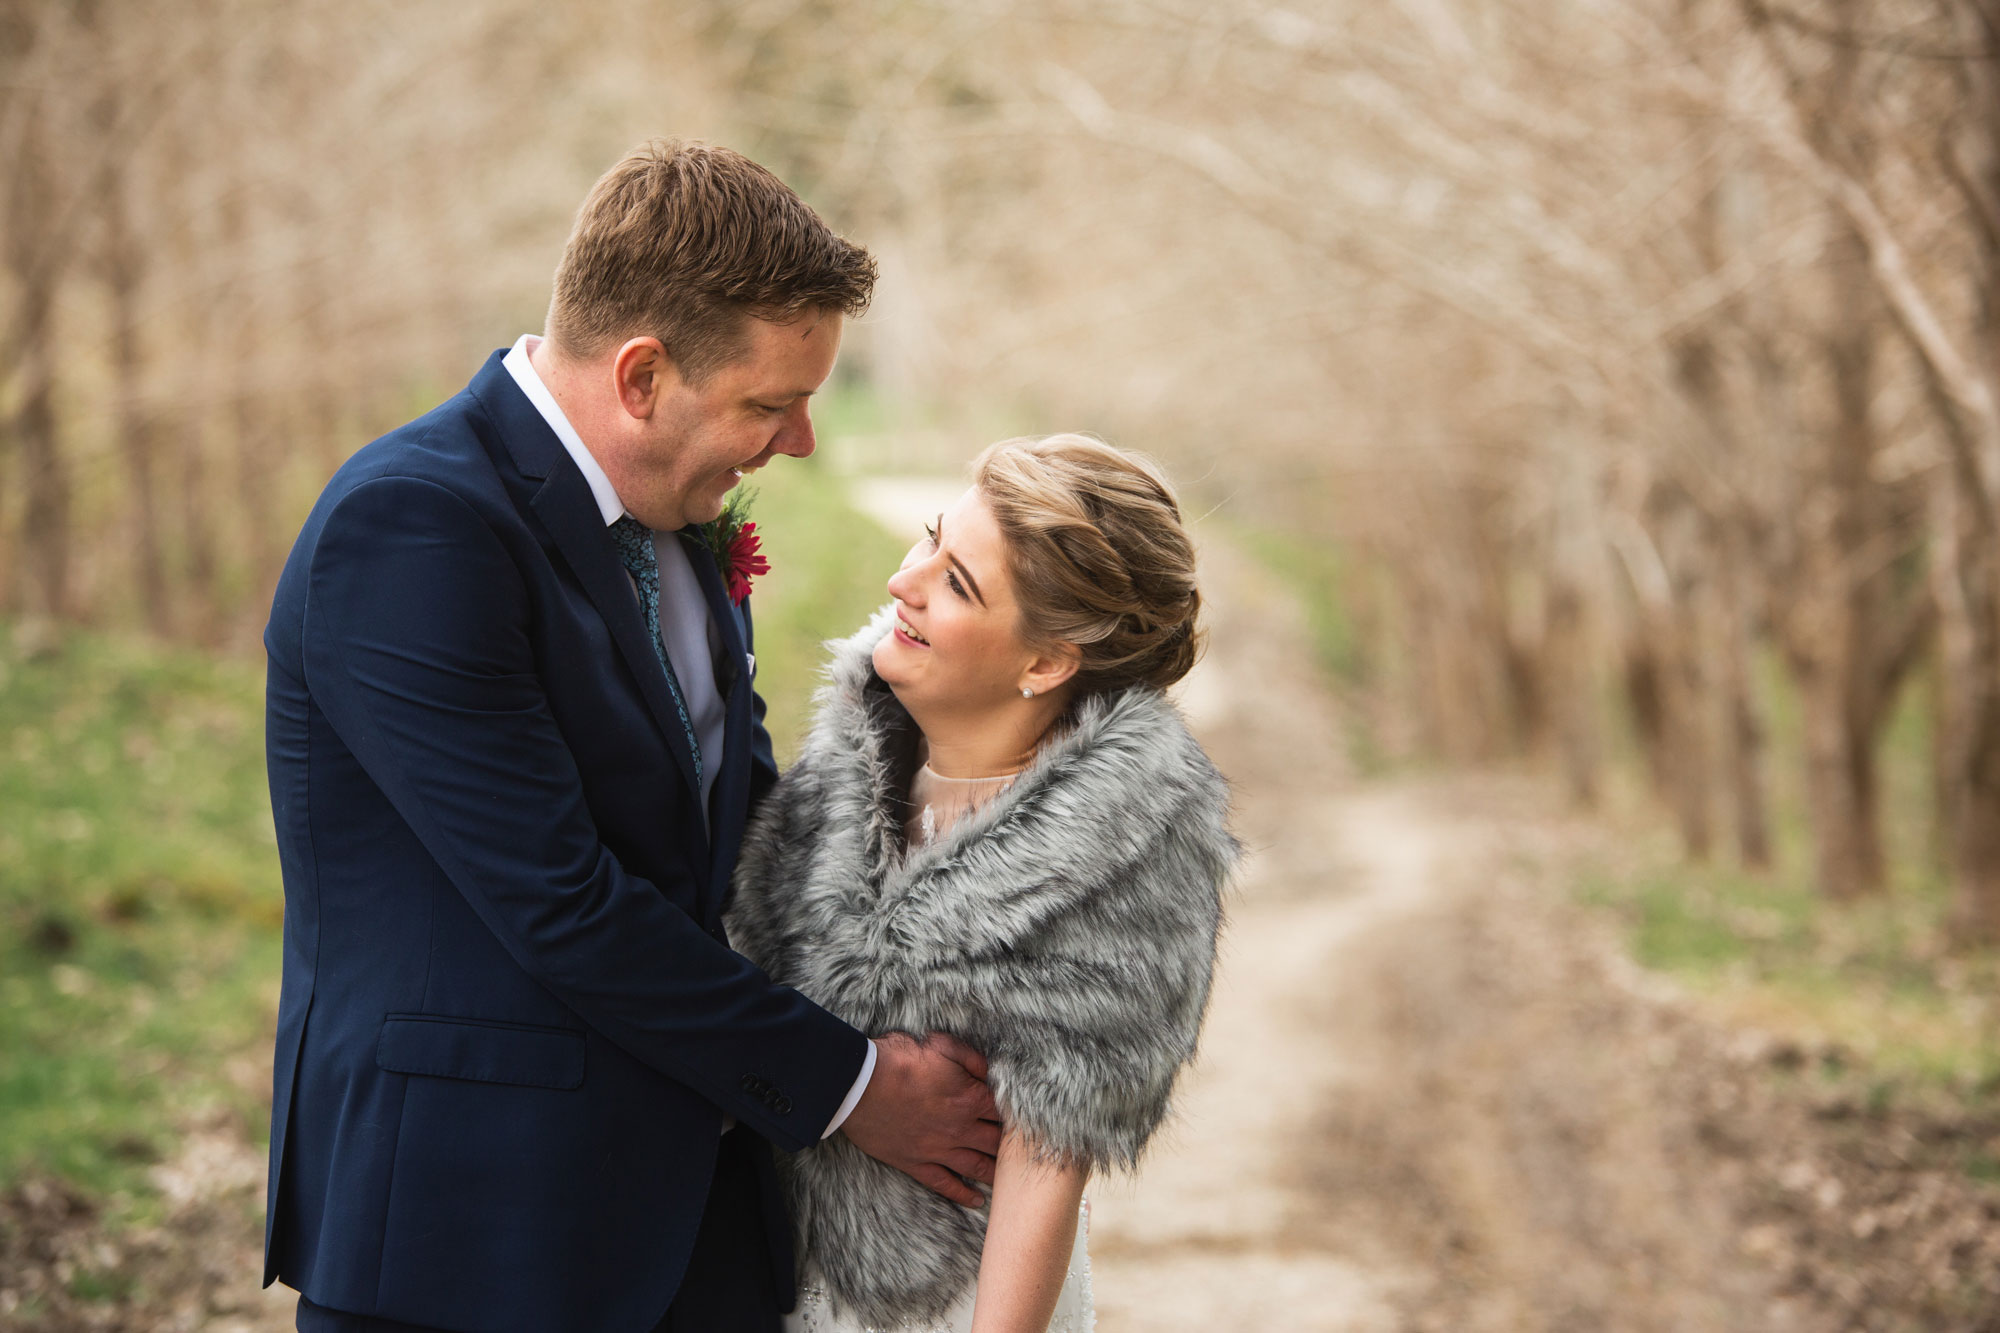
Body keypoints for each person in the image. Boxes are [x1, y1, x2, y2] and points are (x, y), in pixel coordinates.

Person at [261, 139, 1003, 1333]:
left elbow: (741, 825)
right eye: (772, 403)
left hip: (693, 1216)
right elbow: (557, 898)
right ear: (642, 375)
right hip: (473, 1234)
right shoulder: (413, 527)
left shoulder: (673, 515)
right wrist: (853, 1088)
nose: (798, 442)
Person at [727, 435, 1238, 1333]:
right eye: (929, 538)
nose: (903, 582)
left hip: (945, 1304)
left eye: (958, 583)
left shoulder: (1119, 854)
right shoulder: (845, 763)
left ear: (1045, 662)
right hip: (755, 1276)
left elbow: (1051, 1155)